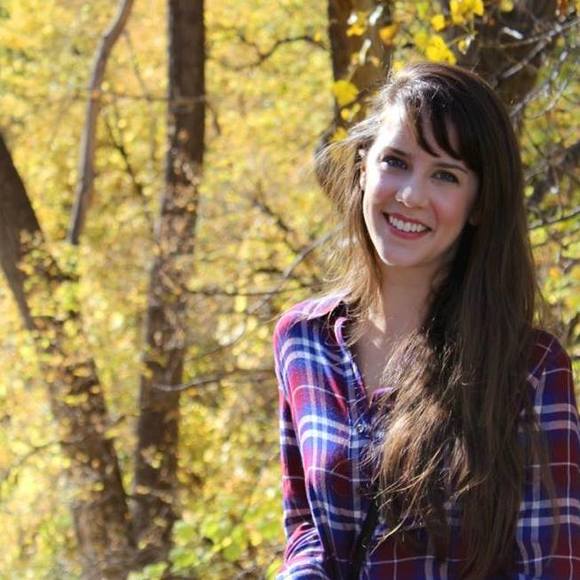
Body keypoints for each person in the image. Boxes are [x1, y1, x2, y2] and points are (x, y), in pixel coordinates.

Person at [273, 62, 579, 579]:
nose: (411, 195)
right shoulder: (302, 341)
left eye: (445, 175)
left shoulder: (529, 367)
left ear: (479, 204)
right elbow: (308, 528)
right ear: (363, 168)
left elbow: (553, 565)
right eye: (396, 162)